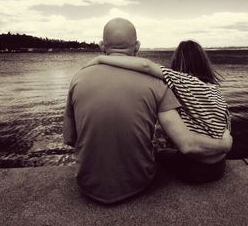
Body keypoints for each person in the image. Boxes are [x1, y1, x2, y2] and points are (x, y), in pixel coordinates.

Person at [63, 18, 232, 204]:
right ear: (137, 46)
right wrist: (225, 144)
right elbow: (185, 142)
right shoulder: (159, 83)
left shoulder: (78, 78)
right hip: (139, 183)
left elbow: (70, 138)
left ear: (102, 46)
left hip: (88, 185)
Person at [85, 40, 231, 183]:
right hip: (219, 166)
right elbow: (224, 129)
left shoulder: (184, 81)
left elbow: (146, 65)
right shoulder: (216, 92)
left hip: (195, 169)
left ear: (180, 61)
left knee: (159, 154)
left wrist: (101, 59)